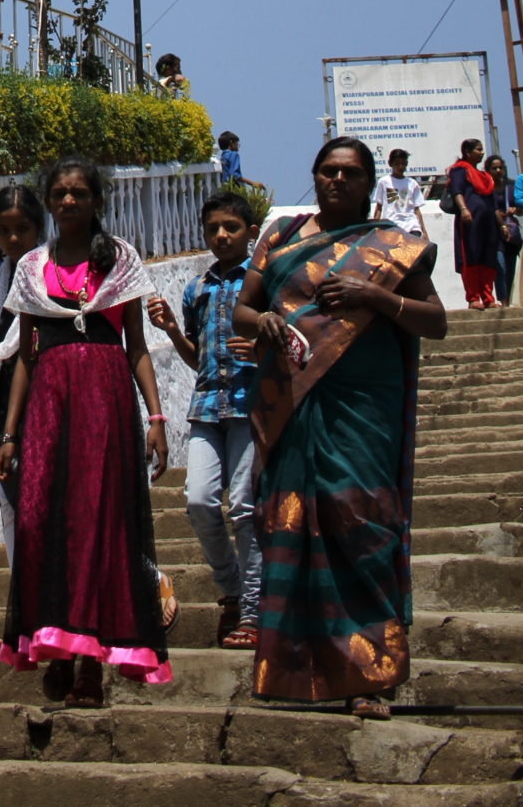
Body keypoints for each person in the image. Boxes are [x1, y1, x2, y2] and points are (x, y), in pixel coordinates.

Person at [233, 134, 447, 718]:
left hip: (363, 408)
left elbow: (436, 322)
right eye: (328, 171)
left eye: (350, 173)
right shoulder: (279, 238)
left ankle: (373, 677)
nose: (337, 181)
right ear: (314, 175)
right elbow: (242, 310)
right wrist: (269, 320)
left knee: (362, 523)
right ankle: (296, 671)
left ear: (369, 182)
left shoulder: (390, 247)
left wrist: (374, 296)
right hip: (293, 404)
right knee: (289, 525)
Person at [0, 155, 172, 705]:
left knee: (100, 525)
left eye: (80, 193)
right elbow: (25, 355)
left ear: (96, 200)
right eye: (60, 194)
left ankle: (92, 662)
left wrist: (156, 418)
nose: (69, 202)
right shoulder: (32, 268)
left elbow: (136, 346)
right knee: (47, 523)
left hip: (106, 398)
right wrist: (10, 434)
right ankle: (53, 647)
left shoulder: (119, 261)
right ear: (49, 202)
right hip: (49, 400)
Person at [147, 190, 261, 651]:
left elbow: (290, 340)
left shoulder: (263, 282)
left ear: (250, 233)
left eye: (230, 227)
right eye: (213, 228)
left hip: (251, 406)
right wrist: (173, 330)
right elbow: (197, 359)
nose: (221, 235)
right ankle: (231, 590)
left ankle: (252, 609)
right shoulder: (198, 288)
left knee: (246, 508)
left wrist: (262, 351)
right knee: (197, 499)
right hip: (207, 407)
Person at [0, 183, 46, 560]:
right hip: (7, 416)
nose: (13, 238)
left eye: (22, 229)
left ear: (39, 229)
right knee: (13, 505)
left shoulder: (52, 278)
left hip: (48, 409)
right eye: (3, 230)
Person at [446, 137, 500, 309]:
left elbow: (494, 205)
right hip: (470, 222)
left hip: (488, 223)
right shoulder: (459, 171)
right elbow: (457, 191)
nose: (482, 152)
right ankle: (473, 297)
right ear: (467, 152)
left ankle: (488, 297)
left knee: (488, 258)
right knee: (471, 256)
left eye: (482, 149)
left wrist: (502, 225)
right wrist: (463, 209)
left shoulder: (485, 176)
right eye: (478, 149)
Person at [485, 155, 521, 305]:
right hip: (494, 233)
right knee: (500, 267)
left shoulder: (511, 186)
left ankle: (507, 301)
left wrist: (516, 209)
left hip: (511, 235)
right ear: (488, 170)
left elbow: (521, 208)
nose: (498, 170)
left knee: (510, 269)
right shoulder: (486, 188)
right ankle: (503, 300)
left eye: (500, 168)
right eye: (494, 168)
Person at [373, 147, 427, 241]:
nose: (400, 167)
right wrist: (374, 228)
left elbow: (416, 210)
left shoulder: (412, 183)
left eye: (403, 164)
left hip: (411, 225)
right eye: (397, 164)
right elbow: (379, 207)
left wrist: (424, 231)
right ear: (390, 164)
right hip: (391, 225)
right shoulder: (384, 182)